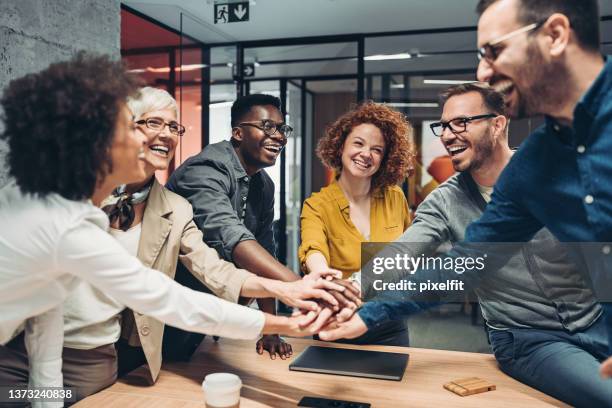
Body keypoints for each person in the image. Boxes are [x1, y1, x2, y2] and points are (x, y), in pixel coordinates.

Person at [0, 54, 333, 407]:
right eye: (146, 125)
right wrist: (286, 320)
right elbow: (167, 298)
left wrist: (46, 396)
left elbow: (47, 311)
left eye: (174, 127)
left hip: (85, 359)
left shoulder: (92, 211)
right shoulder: (59, 213)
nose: (165, 137)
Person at [322, 0, 612, 386]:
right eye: (442, 126)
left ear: (555, 35)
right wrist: (359, 305)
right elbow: (457, 263)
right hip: (531, 339)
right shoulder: (534, 169)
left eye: (494, 51)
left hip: (595, 322)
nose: (483, 71)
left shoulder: (536, 161)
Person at [166, 93, 359, 359]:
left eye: (282, 128)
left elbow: (265, 249)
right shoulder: (205, 169)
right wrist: (302, 286)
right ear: (238, 133)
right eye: (268, 126)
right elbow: (233, 237)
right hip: (170, 308)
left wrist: (270, 329)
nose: (279, 136)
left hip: (211, 309)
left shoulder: (264, 185)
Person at [299, 102, 414, 346]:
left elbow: (409, 252)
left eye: (377, 150)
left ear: (385, 159)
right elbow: (313, 248)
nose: (366, 154)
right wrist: (321, 274)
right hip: (337, 320)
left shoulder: (395, 197)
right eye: (358, 143)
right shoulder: (317, 205)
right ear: (341, 147)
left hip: (389, 321)